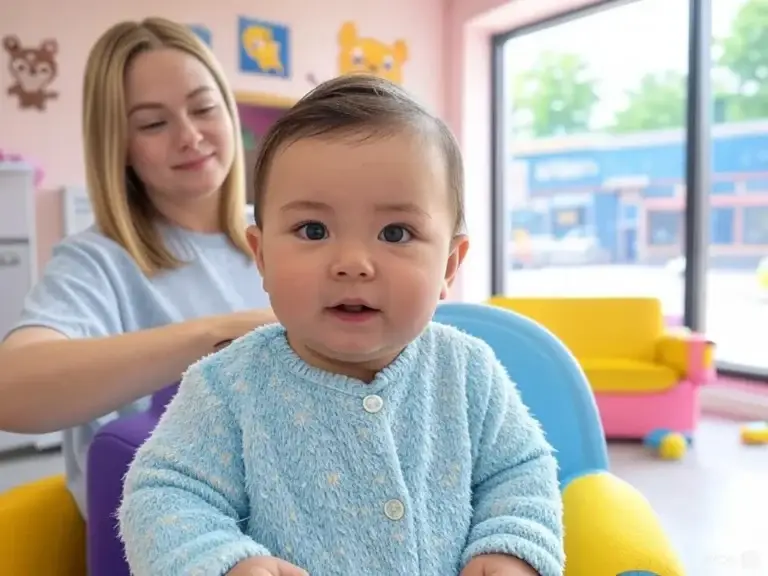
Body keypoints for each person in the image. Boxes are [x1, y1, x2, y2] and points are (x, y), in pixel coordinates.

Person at [118, 75, 565, 576]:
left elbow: (521, 472)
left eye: (395, 232)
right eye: (314, 230)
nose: (352, 263)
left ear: (449, 266)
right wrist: (225, 563)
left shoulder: (467, 372)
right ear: (261, 256)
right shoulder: (226, 387)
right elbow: (163, 496)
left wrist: (509, 547)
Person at [0, 17, 275, 518]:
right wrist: (223, 334)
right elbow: (12, 390)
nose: (190, 136)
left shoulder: (288, 233)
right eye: (153, 123)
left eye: (204, 108)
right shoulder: (97, 260)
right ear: (120, 145)